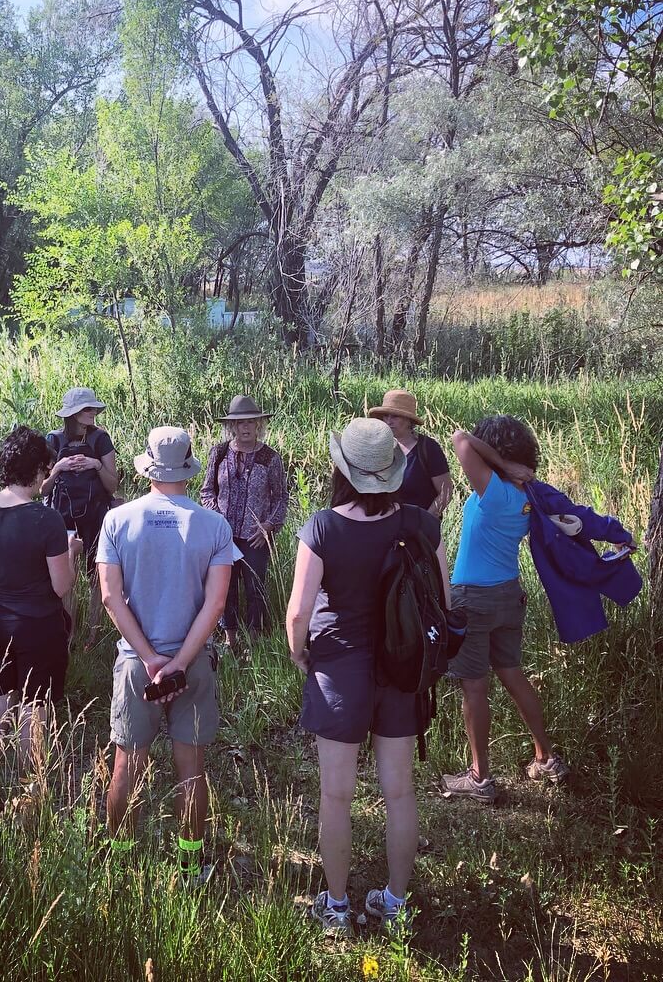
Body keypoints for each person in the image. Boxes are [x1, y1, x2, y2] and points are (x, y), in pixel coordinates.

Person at [285, 418, 451, 935]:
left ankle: (335, 906)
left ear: (343, 469)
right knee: (399, 792)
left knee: (336, 795)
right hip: (401, 671)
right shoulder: (423, 526)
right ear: (393, 471)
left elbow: (297, 614)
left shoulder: (322, 528)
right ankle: (396, 903)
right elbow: (441, 603)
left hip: (339, 669)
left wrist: (300, 655)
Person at [97, 427, 233, 883]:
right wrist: (178, 661)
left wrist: (151, 658)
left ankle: (120, 862)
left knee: (126, 762)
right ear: (190, 467)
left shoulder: (118, 521)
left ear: (149, 466)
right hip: (191, 662)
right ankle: (190, 863)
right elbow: (215, 604)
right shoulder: (214, 525)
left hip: (138, 664)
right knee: (191, 768)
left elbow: (112, 598)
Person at [441, 416, 569, 803]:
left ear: (497, 454)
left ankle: (480, 778)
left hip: (474, 598)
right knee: (512, 674)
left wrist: (498, 462)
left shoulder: (494, 491)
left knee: (475, 687)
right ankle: (546, 758)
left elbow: (460, 439)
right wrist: (509, 466)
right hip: (508, 594)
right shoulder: (528, 495)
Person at [0, 426, 83, 764]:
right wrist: (71, 552)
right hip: (38, 625)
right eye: (46, 470)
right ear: (37, 471)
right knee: (35, 704)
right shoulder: (47, 520)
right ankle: (29, 788)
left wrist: (5, 557)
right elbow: (61, 586)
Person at [199, 394, 289, 651]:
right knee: (224, 587)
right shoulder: (219, 452)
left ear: (259, 425)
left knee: (255, 589)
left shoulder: (270, 458)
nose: (246, 427)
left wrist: (269, 526)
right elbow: (207, 491)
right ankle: (230, 640)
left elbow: (281, 497)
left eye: (251, 422)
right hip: (223, 536)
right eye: (240, 423)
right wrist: (218, 520)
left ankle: (253, 642)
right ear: (232, 426)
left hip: (254, 537)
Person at [42, 387, 120, 647]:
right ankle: (69, 634)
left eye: (93, 408)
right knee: (66, 576)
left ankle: (93, 635)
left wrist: (96, 465)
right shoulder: (53, 441)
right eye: (87, 409)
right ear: (72, 414)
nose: (92, 413)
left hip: (95, 514)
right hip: (61, 518)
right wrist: (59, 468)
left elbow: (112, 486)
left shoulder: (101, 440)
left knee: (96, 577)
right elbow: (41, 489)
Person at [368, 389, 452, 517]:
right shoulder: (378, 446)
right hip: (383, 529)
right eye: (386, 416)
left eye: (395, 416)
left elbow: (445, 492)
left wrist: (424, 522)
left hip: (418, 531)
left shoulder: (428, 448)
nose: (389, 421)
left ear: (409, 420)